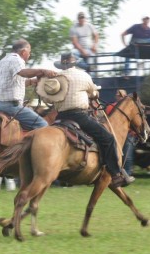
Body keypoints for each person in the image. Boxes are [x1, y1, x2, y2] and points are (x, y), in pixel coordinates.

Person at [40, 52, 134, 188]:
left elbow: (47, 99)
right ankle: (116, 175)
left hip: (60, 117)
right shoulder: (83, 75)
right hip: (79, 116)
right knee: (107, 138)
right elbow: (94, 93)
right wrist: (94, 94)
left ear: (62, 64)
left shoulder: (55, 78)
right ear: (74, 63)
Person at [0, 38, 58, 130]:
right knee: (43, 125)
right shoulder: (16, 60)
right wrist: (42, 71)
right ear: (24, 52)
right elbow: (23, 72)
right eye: (29, 52)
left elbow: (10, 84)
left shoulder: (2, 62)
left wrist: (31, 81)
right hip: (10, 107)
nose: (29, 55)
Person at [105, 89, 135, 176]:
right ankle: (119, 174)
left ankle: (126, 175)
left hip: (126, 134)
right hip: (116, 134)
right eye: (119, 96)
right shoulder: (111, 107)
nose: (120, 97)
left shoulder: (111, 107)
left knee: (126, 156)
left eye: (121, 96)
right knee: (121, 156)